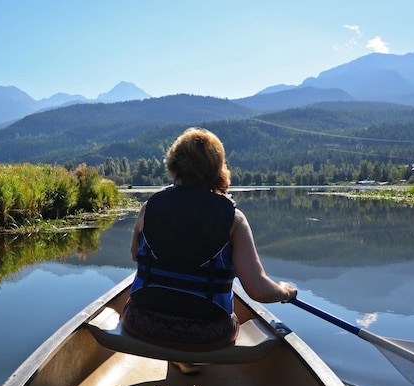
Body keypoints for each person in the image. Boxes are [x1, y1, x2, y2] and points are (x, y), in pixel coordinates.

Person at [123, 127, 297, 353]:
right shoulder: (233, 218)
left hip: (141, 323)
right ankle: (187, 361)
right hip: (207, 334)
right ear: (217, 168)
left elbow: (136, 254)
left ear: (174, 163)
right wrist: (285, 291)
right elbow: (258, 290)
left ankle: (180, 363)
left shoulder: (150, 207)